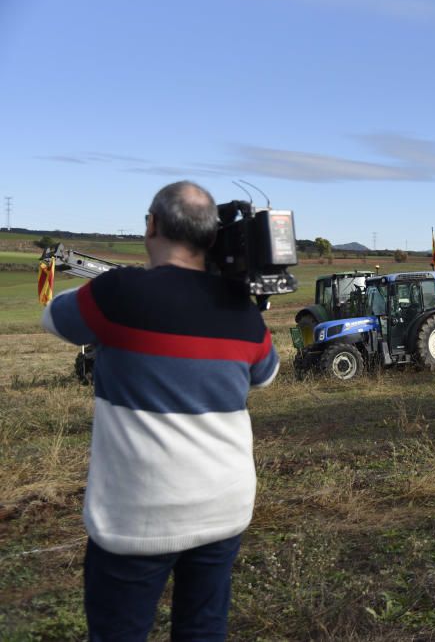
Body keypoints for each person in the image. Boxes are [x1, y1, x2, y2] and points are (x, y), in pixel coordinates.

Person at [41, 181, 280, 639]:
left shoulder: (118, 294)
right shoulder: (244, 314)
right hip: (223, 509)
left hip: (137, 519)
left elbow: (53, 318)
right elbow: (265, 374)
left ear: (151, 226)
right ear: (212, 237)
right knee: (203, 628)